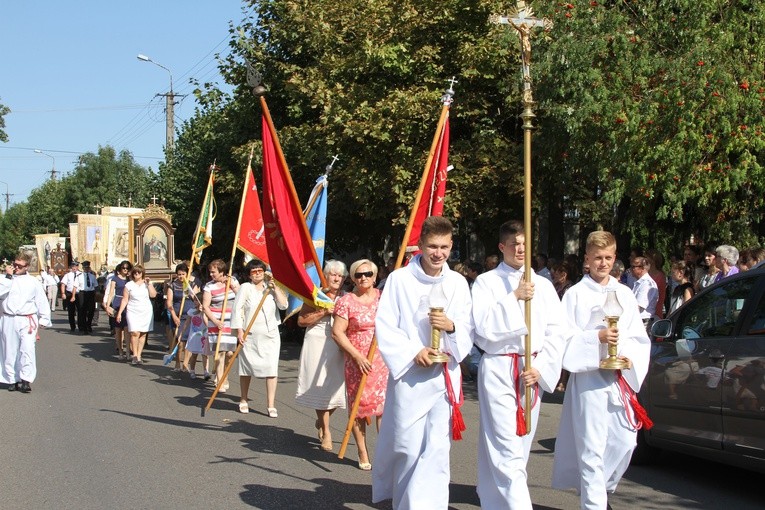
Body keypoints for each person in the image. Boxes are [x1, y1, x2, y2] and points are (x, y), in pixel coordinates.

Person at [372, 216, 474, 509]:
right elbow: (386, 324)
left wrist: (451, 326)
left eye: (444, 247)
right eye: (432, 246)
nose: (438, 253)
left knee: (437, 450)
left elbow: (467, 326)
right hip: (411, 378)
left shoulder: (457, 282)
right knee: (407, 446)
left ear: (452, 246)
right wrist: (413, 351)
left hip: (443, 377)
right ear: (420, 245)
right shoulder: (399, 279)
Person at [552, 230, 651, 510]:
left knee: (625, 442)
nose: (603, 263)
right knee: (591, 447)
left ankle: (596, 490)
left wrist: (629, 356)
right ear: (587, 259)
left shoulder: (624, 293)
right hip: (589, 381)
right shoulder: (575, 295)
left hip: (618, 380)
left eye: (608, 257)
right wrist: (596, 338)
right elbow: (564, 339)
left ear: (615, 257)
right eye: (597, 258)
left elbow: (636, 335)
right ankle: (594, 503)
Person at [471, 220, 567, 509]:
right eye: (514, 244)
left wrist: (543, 367)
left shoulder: (545, 286)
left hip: (531, 370)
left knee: (520, 444)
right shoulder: (487, 282)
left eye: (525, 244)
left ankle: (494, 499)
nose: (520, 249)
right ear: (502, 247)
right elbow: (483, 328)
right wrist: (514, 298)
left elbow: (557, 331)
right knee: (506, 446)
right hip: (500, 368)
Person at [332, 259, 387, 471]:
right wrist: (357, 357)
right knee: (359, 408)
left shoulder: (384, 299)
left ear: (374, 276)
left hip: (382, 361)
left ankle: (384, 451)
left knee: (384, 408)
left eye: (368, 274)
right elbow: (337, 333)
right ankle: (362, 451)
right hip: (357, 361)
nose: (363, 278)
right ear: (353, 278)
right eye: (358, 274)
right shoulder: (346, 301)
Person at [295, 260, 348, 451]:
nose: (337, 278)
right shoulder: (315, 295)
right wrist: (325, 311)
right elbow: (302, 321)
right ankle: (326, 431)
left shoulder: (347, 297)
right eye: (333, 274)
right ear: (325, 275)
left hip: (339, 344)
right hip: (317, 342)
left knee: (338, 388)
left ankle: (321, 420)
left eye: (340, 275)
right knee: (320, 387)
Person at [231, 259, 288, 417]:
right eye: (254, 272)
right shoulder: (245, 288)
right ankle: (243, 399)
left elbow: (284, 305)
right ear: (249, 275)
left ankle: (271, 404)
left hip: (270, 335)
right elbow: (237, 310)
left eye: (260, 271)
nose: (257, 274)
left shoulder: (271, 287)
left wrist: (275, 287)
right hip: (250, 334)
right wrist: (239, 332)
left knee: (271, 369)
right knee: (246, 368)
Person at [0, 253, 51, 392]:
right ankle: (11, 379)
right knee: (9, 350)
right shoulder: (4, 279)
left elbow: (41, 300)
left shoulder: (33, 281)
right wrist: (8, 277)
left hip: (27, 319)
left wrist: (44, 318)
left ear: (27, 266)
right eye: (15, 264)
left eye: (19, 265)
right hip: (8, 318)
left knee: (27, 349)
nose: (16, 267)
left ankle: (26, 379)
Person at [202, 259, 240, 392]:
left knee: (230, 353)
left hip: (231, 321)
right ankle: (220, 381)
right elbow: (205, 306)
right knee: (220, 352)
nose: (211, 274)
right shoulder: (209, 286)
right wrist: (215, 321)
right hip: (216, 322)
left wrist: (232, 285)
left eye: (213, 272)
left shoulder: (233, 281)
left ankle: (225, 375)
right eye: (210, 272)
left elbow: (241, 297)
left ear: (222, 271)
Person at [116, 265, 157, 365]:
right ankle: (134, 355)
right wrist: (120, 313)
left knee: (143, 333)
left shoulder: (146, 284)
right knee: (134, 332)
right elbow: (125, 299)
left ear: (142, 273)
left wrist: (149, 284)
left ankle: (139, 355)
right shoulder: (129, 285)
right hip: (133, 310)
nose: (136, 274)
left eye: (138, 272)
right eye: (134, 273)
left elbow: (153, 295)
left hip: (145, 310)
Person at [165, 262, 200, 372]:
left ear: (187, 274)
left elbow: (197, 299)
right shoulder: (172, 285)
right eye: (179, 274)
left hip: (190, 315)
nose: (181, 276)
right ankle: (177, 363)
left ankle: (185, 363)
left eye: (183, 274)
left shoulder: (191, 284)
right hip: (177, 315)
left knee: (189, 341)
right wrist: (174, 316)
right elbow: (169, 302)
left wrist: (190, 291)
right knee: (179, 340)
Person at [105, 261, 132, 360]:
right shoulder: (114, 279)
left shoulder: (130, 279)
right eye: (124, 268)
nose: (125, 270)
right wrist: (108, 305)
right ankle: (120, 351)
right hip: (117, 303)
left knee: (127, 329)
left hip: (128, 303)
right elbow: (111, 293)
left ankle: (128, 351)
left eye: (127, 268)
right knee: (118, 329)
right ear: (120, 269)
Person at [630, 256, 659, 327]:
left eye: (633, 267)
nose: (631, 269)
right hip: (639, 321)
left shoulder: (646, 284)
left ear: (642, 268)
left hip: (644, 323)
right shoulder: (640, 283)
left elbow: (639, 306)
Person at [76, 261, 97, 334]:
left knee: (92, 310)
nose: (87, 269)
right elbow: (76, 286)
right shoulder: (79, 276)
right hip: (82, 293)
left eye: (88, 267)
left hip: (90, 293)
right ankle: (84, 327)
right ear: (83, 268)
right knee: (83, 310)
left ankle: (89, 324)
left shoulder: (92, 276)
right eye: (85, 268)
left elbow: (95, 286)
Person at [60, 261, 80, 332]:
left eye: (76, 266)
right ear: (71, 267)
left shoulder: (80, 274)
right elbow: (63, 284)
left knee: (80, 310)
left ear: (78, 267)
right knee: (71, 311)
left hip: (79, 294)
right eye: (73, 266)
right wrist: (63, 293)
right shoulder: (68, 275)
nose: (74, 268)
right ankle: (72, 326)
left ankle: (80, 325)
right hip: (69, 293)